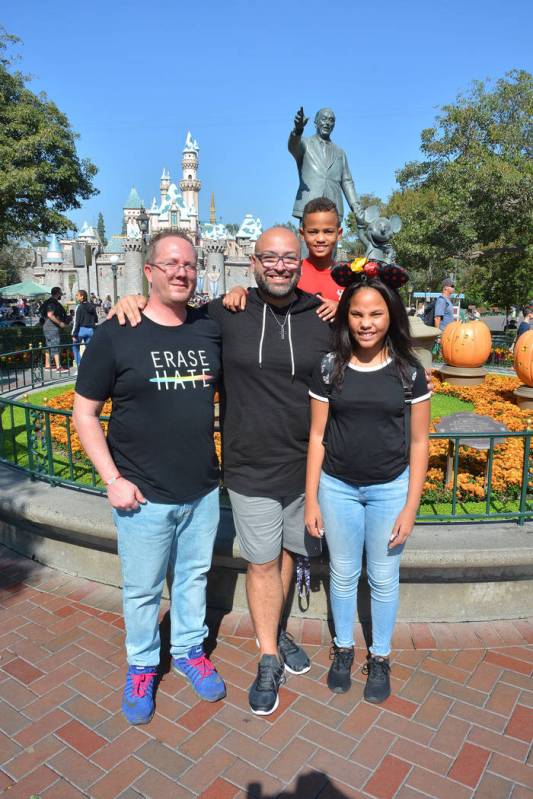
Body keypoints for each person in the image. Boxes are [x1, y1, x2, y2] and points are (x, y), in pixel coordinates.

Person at [112, 228, 433, 717]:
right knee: (261, 561)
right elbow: (172, 315)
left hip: (310, 469)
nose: (280, 265)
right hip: (250, 464)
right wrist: (131, 297)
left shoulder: (324, 316)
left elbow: (364, 355)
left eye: (289, 258)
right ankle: (267, 657)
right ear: (253, 261)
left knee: (285, 554)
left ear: (301, 260)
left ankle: (276, 633)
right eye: (269, 258)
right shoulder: (225, 312)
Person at [72, 230, 226, 726]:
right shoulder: (118, 331)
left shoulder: (209, 328)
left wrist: (242, 292)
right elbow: (84, 414)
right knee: (141, 590)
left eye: (189, 264)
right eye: (171, 264)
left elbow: (248, 306)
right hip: (141, 494)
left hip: (201, 489)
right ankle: (142, 665)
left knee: (193, 578)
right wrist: (112, 478)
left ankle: (187, 650)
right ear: (150, 271)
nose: (182, 272)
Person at [305, 267, 430, 701]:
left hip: (389, 489)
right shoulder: (330, 367)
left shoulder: (409, 372)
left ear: (390, 316)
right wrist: (311, 501)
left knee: (382, 576)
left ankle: (379, 656)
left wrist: (410, 507)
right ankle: (343, 647)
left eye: (375, 313)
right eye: (357, 313)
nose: (366, 322)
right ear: (346, 316)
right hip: (337, 487)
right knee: (342, 575)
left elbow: (418, 443)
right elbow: (318, 437)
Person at [224, 197, 342, 323]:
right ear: (302, 234)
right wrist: (238, 291)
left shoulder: (348, 276)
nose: (320, 238)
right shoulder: (292, 271)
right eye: (313, 232)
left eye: (328, 232)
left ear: (339, 234)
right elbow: (264, 292)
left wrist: (342, 309)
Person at [289, 107, 364, 226]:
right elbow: (293, 146)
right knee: (307, 243)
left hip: (333, 207)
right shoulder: (305, 144)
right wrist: (298, 130)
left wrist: (356, 206)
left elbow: (347, 181)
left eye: (331, 120)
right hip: (309, 205)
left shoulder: (340, 153)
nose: (327, 123)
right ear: (316, 122)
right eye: (324, 119)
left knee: (331, 243)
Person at [40, 287, 69, 372]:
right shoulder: (52, 303)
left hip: (47, 326)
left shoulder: (49, 302)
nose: (61, 295)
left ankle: (47, 365)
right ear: (57, 293)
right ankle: (58, 367)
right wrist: (60, 323)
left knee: (49, 345)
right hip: (51, 327)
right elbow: (50, 314)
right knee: (55, 344)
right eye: (60, 293)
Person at [72, 290, 98, 366]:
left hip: (81, 330)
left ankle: (80, 366)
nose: (76, 296)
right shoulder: (92, 306)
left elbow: (77, 322)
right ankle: (91, 366)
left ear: (82, 296)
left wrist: (74, 334)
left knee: (75, 348)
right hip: (91, 330)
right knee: (89, 349)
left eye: (77, 295)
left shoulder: (79, 307)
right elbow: (96, 319)